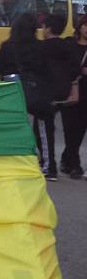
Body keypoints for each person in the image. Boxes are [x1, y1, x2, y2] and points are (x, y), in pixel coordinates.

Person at [0, 13, 54, 173]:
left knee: (9, 128)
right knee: (44, 128)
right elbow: (47, 72)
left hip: (11, 94)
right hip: (36, 93)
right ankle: (49, 166)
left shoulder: (7, 46)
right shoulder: (41, 47)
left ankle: (10, 162)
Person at [36, 14, 80, 179]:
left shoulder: (42, 48)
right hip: (65, 93)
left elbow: (36, 70)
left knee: (43, 129)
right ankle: (66, 163)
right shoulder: (68, 46)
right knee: (65, 129)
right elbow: (75, 69)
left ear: (47, 28)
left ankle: (49, 167)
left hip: (47, 94)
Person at [61, 14, 87, 178]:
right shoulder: (69, 44)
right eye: (86, 25)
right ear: (80, 26)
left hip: (85, 93)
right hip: (69, 91)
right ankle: (74, 164)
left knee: (80, 130)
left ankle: (68, 160)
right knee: (69, 129)